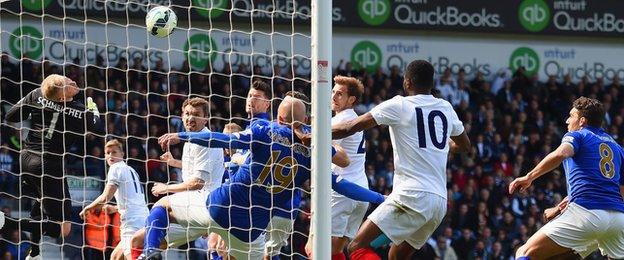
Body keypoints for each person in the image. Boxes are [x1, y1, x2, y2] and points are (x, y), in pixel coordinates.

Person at [141, 96, 384, 260]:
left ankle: (150, 252)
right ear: (306, 120)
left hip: (220, 206)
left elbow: (224, 140)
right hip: (250, 230)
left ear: (278, 117)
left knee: (163, 206)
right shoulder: (313, 150)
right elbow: (340, 184)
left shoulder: (264, 129)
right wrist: (379, 196)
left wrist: (182, 135)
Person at [329, 60, 471, 260]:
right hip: (438, 202)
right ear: (431, 83)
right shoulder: (445, 107)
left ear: (407, 82)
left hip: (412, 195)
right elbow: (465, 146)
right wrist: (447, 146)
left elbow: (348, 127)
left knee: (357, 247)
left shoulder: (400, 104)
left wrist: (312, 134)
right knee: (396, 255)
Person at [510, 97, 624, 260]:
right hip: (618, 219)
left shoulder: (578, 136)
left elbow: (561, 153)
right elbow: (619, 191)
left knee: (525, 253)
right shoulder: (617, 148)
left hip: (587, 213)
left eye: (571, 116)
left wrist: (529, 177)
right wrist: (561, 206)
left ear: (582, 121)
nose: (567, 120)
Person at [1, 74, 101, 260]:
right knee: (63, 229)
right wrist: (94, 109)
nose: (72, 81)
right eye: (67, 84)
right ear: (62, 97)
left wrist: (31, 104)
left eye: (67, 78)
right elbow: (98, 126)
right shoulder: (80, 111)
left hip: (27, 158)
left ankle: (35, 252)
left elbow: (11, 116)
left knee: (39, 203)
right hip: (49, 166)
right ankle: (9, 223)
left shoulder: (37, 94)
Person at [128, 97, 225, 259]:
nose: (190, 118)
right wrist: (174, 162)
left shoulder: (206, 140)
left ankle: (150, 252)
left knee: (162, 204)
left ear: (206, 118)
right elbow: (197, 170)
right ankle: (148, 251)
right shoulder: (191, 140)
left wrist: (165, 188)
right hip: (194, 208)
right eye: (187, 114)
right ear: (181, 116)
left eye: (196, 114)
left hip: (205, 203)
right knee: (137, 240)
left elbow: (197, 183)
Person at [305, 76, 369, 260]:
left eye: (339, 94)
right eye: (333, 91)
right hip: (360, 191)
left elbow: (331, 154)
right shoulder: (354, 120)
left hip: (342, 191)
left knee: (314, 249)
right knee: (336, 251)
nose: (333, 96)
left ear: (352, 100)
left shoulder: (338, 122)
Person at [79, 139, 148, 260]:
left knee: (132, 257)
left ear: (122, 154)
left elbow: (106, 197)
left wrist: (89, 207)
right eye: (108, 152)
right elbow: (135, 201)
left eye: (114, 152)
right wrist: (115, 208)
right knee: (116, 257)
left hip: (132, 223)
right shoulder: (132, 170)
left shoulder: (116, 168)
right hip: (143, 218)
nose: (111, 155)